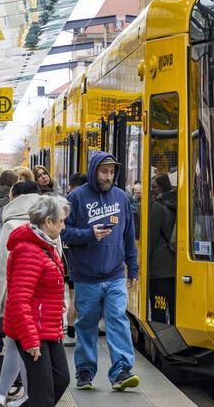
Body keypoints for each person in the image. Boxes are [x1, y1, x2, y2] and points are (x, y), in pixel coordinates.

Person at [0, 194, 72, 407]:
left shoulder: (45, 244)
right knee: (43, 390)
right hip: (32, 331)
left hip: (47, 327)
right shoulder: (30, 250)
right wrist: (30, 341)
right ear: (48, 221)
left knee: (59, 379)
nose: (64, 226)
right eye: (61, 221)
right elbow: (19, 300)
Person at [62, 152, 140, 392]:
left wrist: (132, 267)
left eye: (111, 172)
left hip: (115, 274)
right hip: (86, 276)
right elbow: (63, 233)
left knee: (118, 320)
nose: (108, 176)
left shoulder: (121, 197)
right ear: (94, 170)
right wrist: (88, 234)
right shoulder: (75, 198)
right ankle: (85, 371)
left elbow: (129, 235)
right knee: (86, 324)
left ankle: (121, 371)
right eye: (103, 171)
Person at [0, 179, 42, 407]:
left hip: (18, 293)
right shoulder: (48, 219)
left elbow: (0, 266)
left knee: (19, 342)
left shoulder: (11, 223)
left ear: (13, 197)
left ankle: (26, 395)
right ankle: (1, 392)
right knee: (16, 343)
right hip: (42, 294)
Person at [148, 173, 177, 324]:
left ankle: (160, 331)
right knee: (173, 306)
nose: (151, 190)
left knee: (159, 305)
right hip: (175, 266)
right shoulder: (178, 203)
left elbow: (151, 237)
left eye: (154, 187)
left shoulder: (158, 207)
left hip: (159, 269)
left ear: (162, 187)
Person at [62, 173, 87, 346]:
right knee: (75, 298)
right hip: (75, 260)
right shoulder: (81, 203)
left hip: (66, 260)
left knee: (72, 297)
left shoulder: (65, 203)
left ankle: (70, 330)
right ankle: (72, 331)